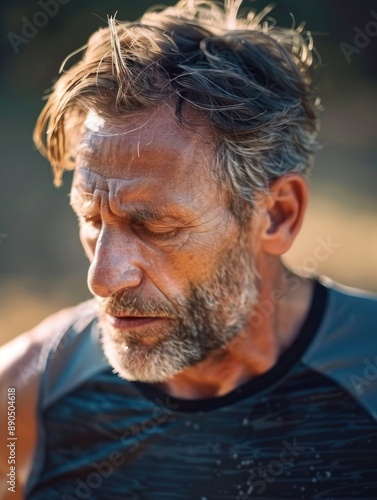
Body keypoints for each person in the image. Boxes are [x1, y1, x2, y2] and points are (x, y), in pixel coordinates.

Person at [1, 1, 376, 498]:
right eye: (91, 219)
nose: (103, 278)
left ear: (279, 214)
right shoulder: (21, 396)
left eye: (154, 225)